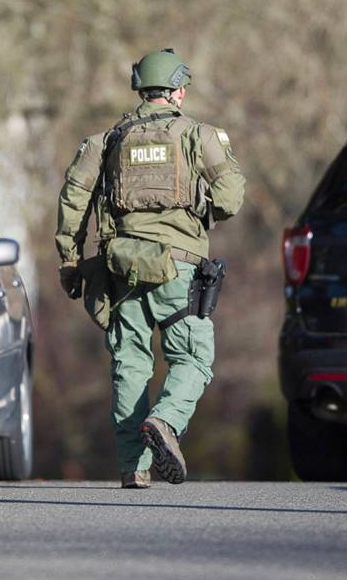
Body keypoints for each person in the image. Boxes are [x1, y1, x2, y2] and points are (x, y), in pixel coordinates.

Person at [55, 49, 246, 488]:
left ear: (140, 89)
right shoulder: (198, 135)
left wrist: (69, 260)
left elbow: (73, 199)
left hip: (122, 268)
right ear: (179, 91)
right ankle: (165, 420)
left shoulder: (106, 140)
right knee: (193, 358)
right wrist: (200, 206)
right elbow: (230, 198)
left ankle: (133, 467)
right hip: (178, 268)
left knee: (130, 364)